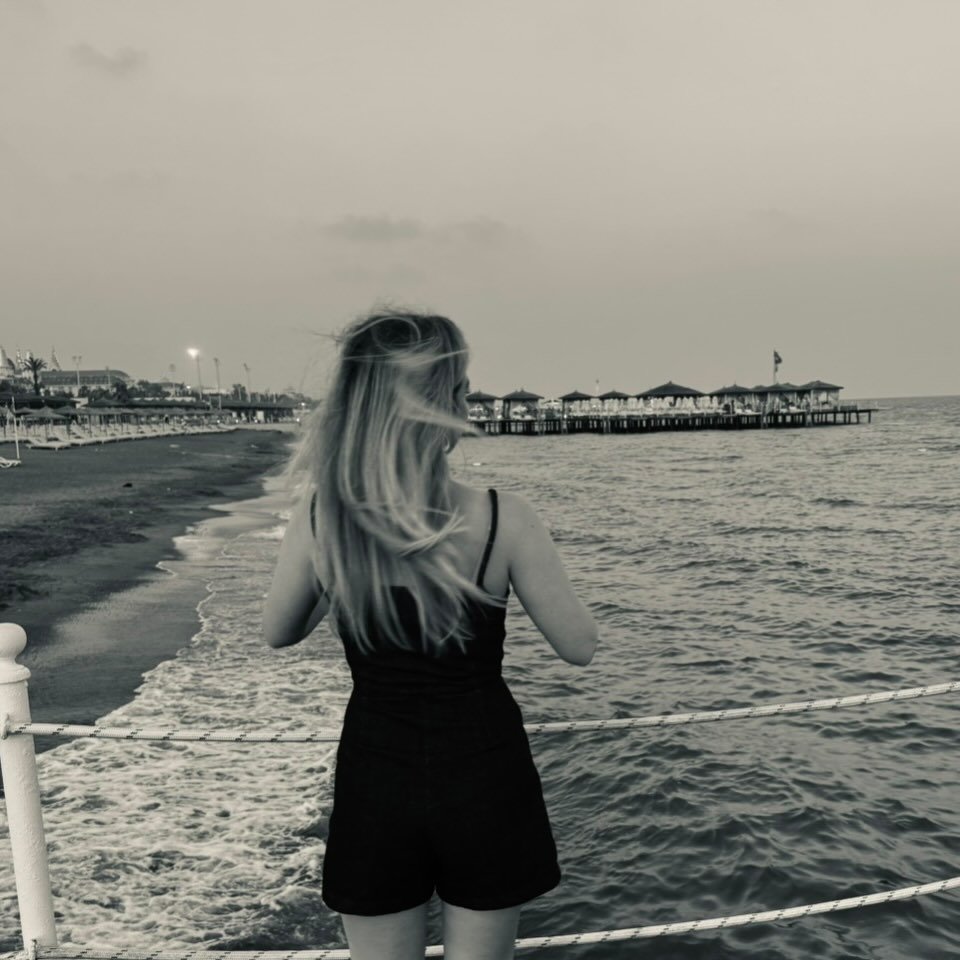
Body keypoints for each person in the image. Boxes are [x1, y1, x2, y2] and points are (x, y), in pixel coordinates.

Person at [263, 310, 598, 960]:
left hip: (376, 778)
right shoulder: (503, 517)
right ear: (447, 402)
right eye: (463, 387)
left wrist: (343, 574)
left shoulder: (324, 517)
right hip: (485, 774)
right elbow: (579, 645)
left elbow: (278, 631)